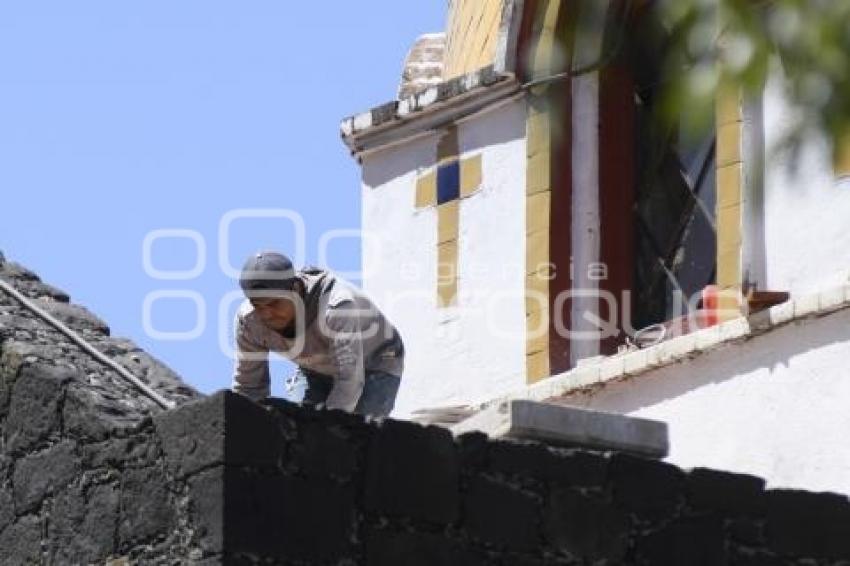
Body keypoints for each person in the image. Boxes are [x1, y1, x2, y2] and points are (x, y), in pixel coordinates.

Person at [231, 251, 404, 417]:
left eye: (275, 303)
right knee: (295, 431)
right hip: (315, 368)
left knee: (356, 436)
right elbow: (249, 388)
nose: (267, 314)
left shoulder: (336, 308)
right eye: (258, 306)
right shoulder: (249, 322)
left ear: (296, 289)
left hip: (376, 362)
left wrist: (326, 432)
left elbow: (349, 381)